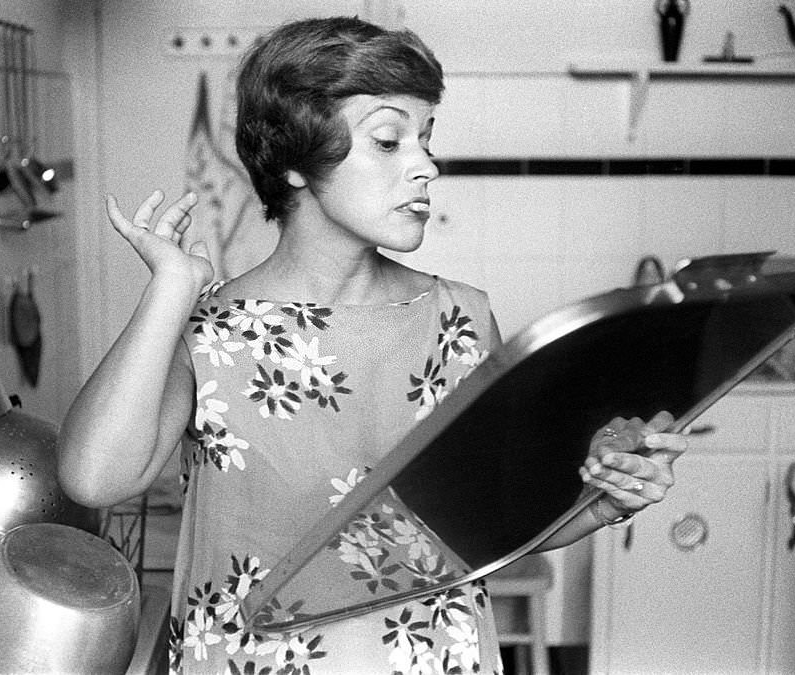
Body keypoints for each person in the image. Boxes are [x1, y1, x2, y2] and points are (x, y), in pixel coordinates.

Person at [58, 16, 688, 674]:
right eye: (389, 140)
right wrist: (171, 288)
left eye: (426, 138)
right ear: (297, 160)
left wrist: (604, 503)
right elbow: (92, 476)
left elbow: (495, 519)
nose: (426, 165)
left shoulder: (460, 320)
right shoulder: (208, 328)